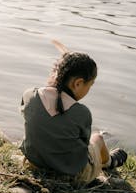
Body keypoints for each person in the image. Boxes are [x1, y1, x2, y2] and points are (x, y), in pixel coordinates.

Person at [20, 51, 128, 184]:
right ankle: (110, 162)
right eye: (90, 84)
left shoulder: (30, 95)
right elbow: (83, 147)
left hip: (35, 164)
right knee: (97, 138)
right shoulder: (81, 113)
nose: (89, 89)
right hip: (73, 176)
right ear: (78, 83)